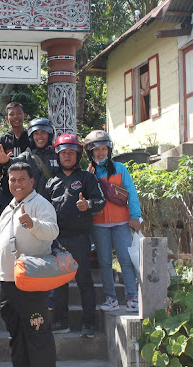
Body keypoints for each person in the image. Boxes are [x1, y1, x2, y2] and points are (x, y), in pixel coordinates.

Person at [0, 162, 59, 367]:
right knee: (17, 335)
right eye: (12, 179)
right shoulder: (8, 208)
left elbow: (52, 231)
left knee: (38, 334)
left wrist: (32, 224)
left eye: (21, 179)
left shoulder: (40, 205)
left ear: (31, 182)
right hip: (7, 281)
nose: (16, 184)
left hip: (31, 280)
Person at [42, 134, 105, 338]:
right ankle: (61, 321)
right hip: (57, 239)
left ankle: (89, 324)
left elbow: (100, 201)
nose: (67, 156)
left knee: (84, 281)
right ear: (57, 155)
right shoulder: (51, 181)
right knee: (59, 283)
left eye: (71, 153)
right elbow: (43, 208)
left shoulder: (87, 178)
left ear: (78, 155)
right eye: (63, 153)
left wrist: (88, 204)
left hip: (80, 238)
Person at [84, 130, 141, 312]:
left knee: (125, 260)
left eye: (104, 149)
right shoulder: (89, 172)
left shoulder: (119, 168)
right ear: (90, 152)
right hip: (98, 223)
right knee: (105, 262)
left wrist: (135, 216)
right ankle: (111, 298)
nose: (100, 153)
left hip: (121, 221)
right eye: (96, 150)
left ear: (109, 150)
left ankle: (133, 297)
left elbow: (131, 192)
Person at [0, 117, 58, 195]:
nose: (39, 136)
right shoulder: (28, 156)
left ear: (49, 135)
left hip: (54, 202)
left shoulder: (57, 156)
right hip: (34, 203)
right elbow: (15, 162)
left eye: (43, 132)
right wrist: (6, 161)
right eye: (36, 133)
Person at [0, 102, 30, 213]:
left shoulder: (31, 138)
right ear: (7, 118)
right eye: (12, 114)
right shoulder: (3, 141)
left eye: (19, 113)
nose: (16, 117)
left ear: (24, 115)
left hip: (30, 192)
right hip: (7, 192)